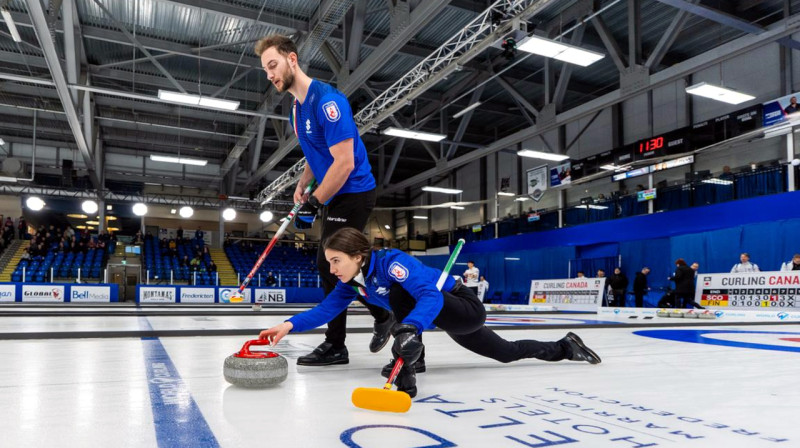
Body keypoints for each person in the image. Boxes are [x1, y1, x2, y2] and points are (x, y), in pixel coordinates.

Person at [259, 228, 601, 398]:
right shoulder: (354, 283)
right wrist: (288, 325)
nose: (332, 269)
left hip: (462, 308)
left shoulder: (393, 264)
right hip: (439, 316)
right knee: (506, 352)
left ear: (358, 256)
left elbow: (429, 297)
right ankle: (565, 347)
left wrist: (408, 329)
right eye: (329, 262)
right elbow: (326, 309)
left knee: (400, 293)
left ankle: (410, 366)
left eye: (336, 261)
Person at [256, 34, 392, 366]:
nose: (270, 75)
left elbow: (344, 163)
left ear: (292, 59)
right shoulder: (296, 108)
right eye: (265, 70)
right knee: (331, 264)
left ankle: (341, 341)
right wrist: (304, 182)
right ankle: (377, 317)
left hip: (353, 191)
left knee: (328, 263)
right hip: (335, 191)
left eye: (273, 65)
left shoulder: (328, 102)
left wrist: (315, 202)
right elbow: (316, 152)